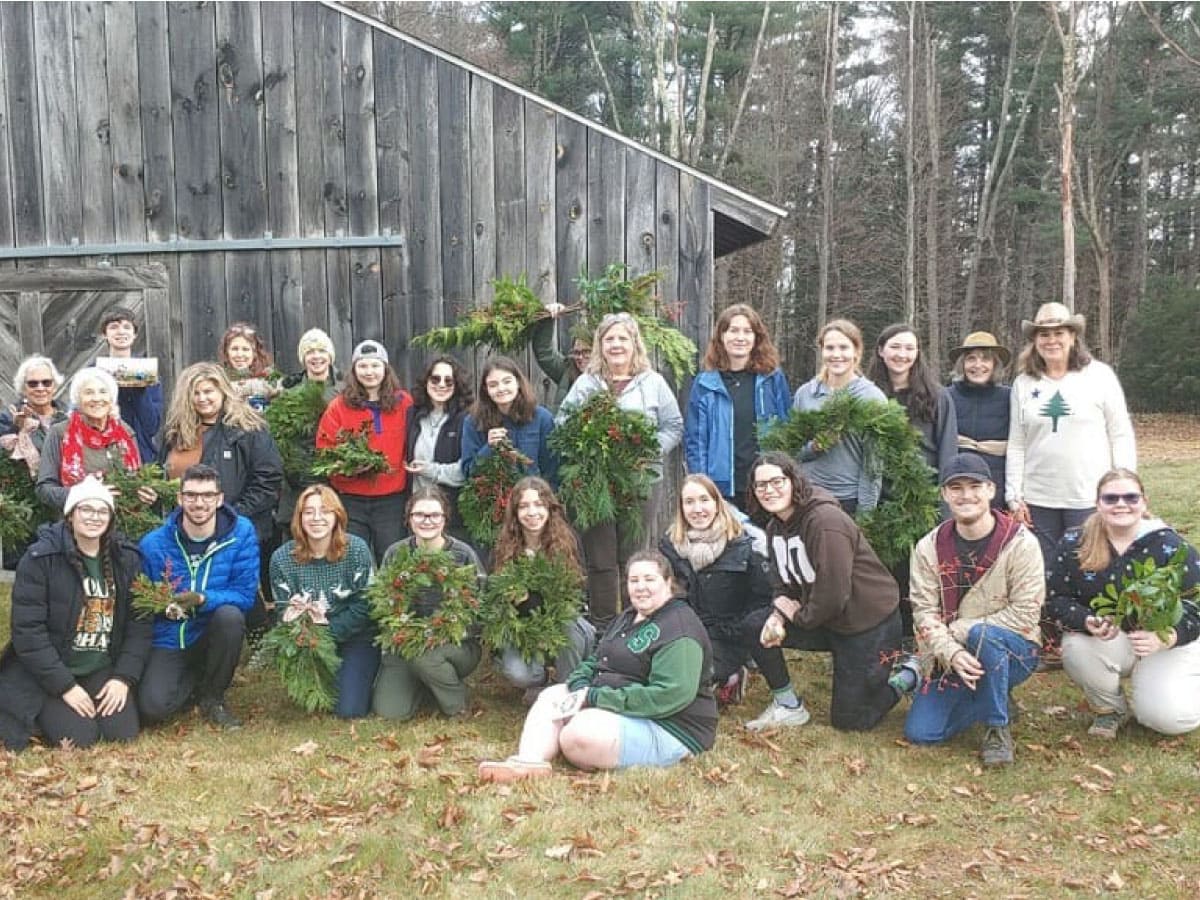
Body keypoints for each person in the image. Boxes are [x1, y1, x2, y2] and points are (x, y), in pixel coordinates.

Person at [477, 551, 718, 781]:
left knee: (578, 734)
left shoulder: (679, 629)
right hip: (622, 710)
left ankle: (578, 741)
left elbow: (670, 695)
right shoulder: (628, 616)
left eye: (649, 579)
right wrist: (580, 683)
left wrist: (596, 698)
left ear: (668, 583)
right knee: (553, 694)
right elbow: (597, 657)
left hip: (672, 726)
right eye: (633, 580)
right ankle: (528, 762)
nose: (640, 587)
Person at [740, 452, 903, 732]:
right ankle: (788, 705)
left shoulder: (825, 522)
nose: (769, 490)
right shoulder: (774, 527)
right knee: (756, 626)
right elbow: (782, 584)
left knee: (851, 721)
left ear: (793, 481)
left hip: (866, 624)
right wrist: (779, 614)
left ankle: (908, 675)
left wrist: (799, 616)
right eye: (761, 485)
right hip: (823, 617)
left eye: (777, 481)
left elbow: (834, 593)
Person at [900, 455, 1044, 766]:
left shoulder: (1021, 544)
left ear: (991, 490)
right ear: (944, 494)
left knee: (983, 634)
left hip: (1014, 648)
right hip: (951, 655)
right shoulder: (928, 547)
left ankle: (996, 726)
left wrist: (962, 629)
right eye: (956, 488)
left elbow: (1025, 614)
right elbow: (924, 612)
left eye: (975, 486)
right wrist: (950, 651)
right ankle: (995, 693)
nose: (966, 495)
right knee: (922, 733)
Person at [1046, 469, 1200, 739]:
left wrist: (1169, 637)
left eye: (1130, 497)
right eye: (1111, 498)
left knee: (1170, 719)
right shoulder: (1075, 542)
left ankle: (1171, 683)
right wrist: (1085, 620)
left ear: (1144, 502)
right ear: (1098, 504)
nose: (1121, 504)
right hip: (1113, 640)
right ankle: (1110, 709)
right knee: (1077, 648)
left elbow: (1196, 602)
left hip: (1165, 641)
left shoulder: (1169, 545)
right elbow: (1055, 598)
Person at [0, 478, 151, 751]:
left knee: (123, 733)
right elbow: (28, 632)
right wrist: (65, 687)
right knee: (81, 738)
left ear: (111, 517)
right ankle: (33, 710)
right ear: (71, 515)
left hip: (98, 665)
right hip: (52, 668)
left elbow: (139, 624)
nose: (94, 517)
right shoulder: (40, 559)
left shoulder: (126, 559)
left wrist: (123, 678)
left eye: (102, 511)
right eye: (86, 510)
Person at [557, 313, 684, 626]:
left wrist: (649, 451)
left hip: (640, 481)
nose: (616, 344)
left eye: (622, 338)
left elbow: (673, 425)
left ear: (634, 343)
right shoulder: (587, 383)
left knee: (633, 556)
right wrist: (585, 446)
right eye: (609, 339)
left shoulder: (652, 383)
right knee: (600, 559)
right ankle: (602, 626)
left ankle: (636, 622)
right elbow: (563, 423)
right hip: (596, 483)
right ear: (601, 345)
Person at [1007, 302, 1137, 567]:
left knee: (1089, 568)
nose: (1052, 340)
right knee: (1044, 570)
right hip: (1038, 501)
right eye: (1044, 334)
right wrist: (1014, 495)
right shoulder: (1023, 383)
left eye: (1059, 333)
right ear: (1035, 340)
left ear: (1073, 336)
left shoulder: (1100, 376)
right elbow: (1017, 443)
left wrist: (1123, 485)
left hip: (1088, 496)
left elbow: (1120, 433)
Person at [138, 465, 260, 729]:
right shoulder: (153, 544)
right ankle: (192, 680)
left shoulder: (241, 534)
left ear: (219, 499)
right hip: (171, 637)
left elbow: (245, 595)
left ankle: (213, 698)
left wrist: (204, 599)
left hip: (213, 633)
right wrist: (163, 607)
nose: (199, 503)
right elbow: (142, 600)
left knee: (230, 617)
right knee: (153, 709)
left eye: (207, 495)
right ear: (180, 499)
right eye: (191, 495)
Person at [372, 487, 486, 720]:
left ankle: (457, 705)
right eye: (419, 515)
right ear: (409, 518)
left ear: (445, 518)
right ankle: (426, 685)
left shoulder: (463, 555)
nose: (427, 521)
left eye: (434, 515)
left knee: (427, 657)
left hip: (455, 643)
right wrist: (404, 633)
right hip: (405, 644)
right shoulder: (396, 553)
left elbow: (479, 608)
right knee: (390, 712)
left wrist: (441, 633)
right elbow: (381, 602)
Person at [660, 474, 772, 705]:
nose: (697, 509)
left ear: (717, 503)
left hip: (728, 634)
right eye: (689, 502)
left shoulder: (743, 545)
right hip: (684, 629)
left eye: (704, 500)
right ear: (681, 508)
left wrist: (738, 631)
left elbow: (762, 600)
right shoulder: (670, 545)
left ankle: (732, 674)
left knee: (689, 679)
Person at [269, 485, 378, 719]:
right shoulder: (282, 559)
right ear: (299, 518)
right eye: (308, 512)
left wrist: (328, 630)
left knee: (349, 710)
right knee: (316, 704)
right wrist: (295, 620)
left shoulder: (356, 549)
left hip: (354, 635)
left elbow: (367, 605)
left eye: (325, 511)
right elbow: (281, 609)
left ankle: (368, 675)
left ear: (337, 516)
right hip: (309, 639)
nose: (317, 518)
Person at [490, 477, 595, 702]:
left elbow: (576, 595)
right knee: (519, 673)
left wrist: (530, 599)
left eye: (538, 504)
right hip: (522, 627)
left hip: (565, 622)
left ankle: (566, 688)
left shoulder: (568, 541)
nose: (532, 512)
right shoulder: (505, 547)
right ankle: (539, 681)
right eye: (524, 506)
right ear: (515, 512)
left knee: (571, 630)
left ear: (549, 507)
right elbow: (500, 598)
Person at [315, 340, 413, 562]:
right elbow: (325, 450)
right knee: (352, 559)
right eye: (363, 366)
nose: (369, 372)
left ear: (385, 369)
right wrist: (348, 469)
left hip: (392, 500)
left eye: (375, 366)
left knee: (392, 558)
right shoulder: (338, 407)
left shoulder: (403, 403)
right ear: (354, 370)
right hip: (351, 499)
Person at [685, 304, 791, 504]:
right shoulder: (705, 383)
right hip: (722, 487)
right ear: (722, 336)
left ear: (756, 338)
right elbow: (696, 441)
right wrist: (702, 486)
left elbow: (786, 427)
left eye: (747, 331)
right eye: (733, 330)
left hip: (766, 485)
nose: (740, 337)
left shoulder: (772, 378)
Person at [791, 319, 888, 515]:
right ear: (822, 351)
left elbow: (873, 466)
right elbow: (792, 451)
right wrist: (815, 447)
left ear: (856, 352)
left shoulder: (871, 397)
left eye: (844, 347)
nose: (836, 355)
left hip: (847, 500)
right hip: (807, 496)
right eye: (830, 348)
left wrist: (865, 516)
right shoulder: (806, 394)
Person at [36, 367, 154, 513]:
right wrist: (87, 494)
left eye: (103, 392)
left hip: (121, 523)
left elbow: (136, 482)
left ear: (111, 400)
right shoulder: (59, 433)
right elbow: (44, 489)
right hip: (76, 522)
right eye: (89, 392)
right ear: (77, 400)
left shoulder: (125, 432)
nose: (97, 398)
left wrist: (144, 496)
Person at [1, 356, 69, 568]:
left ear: (55, 386)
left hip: (60, 507)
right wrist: (16, 429)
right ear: (23, 387)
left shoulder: (69, 419)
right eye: (33, 383)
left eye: (46, 382)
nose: (40, 388)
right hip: (23, 511)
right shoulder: (7, 418)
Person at [867, 323, 958, 482]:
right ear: (881, 350)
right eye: (895, 347)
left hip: (925, 492)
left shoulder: (937, 396)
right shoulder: (868, 395)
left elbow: (948, 452)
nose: (902, 354)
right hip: (876, 492)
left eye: (909, 348)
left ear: (917, 353)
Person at [404, 356, 472, 539]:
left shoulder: (466, 419)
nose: (441, 385)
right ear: (426, 382)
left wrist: (429, 470)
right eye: (435, 379)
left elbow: (466, 469)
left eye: (448, 380)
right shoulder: (413, 414)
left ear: (457, 385)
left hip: (452, 513)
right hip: (417, 512)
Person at [461, 356, 558, 483]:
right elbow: (469, 472)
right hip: (491, 499)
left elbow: (552, 471)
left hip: (532, 498)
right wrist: (489, 448)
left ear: (518, 382)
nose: (501, 389)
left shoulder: (542, 418)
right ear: (486, 389)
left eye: (507, 382)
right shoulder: (473, 422)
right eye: (493, 385)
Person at [946, 332, 1011, 509]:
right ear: (962, 364)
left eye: (985, 359)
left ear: (995, 364)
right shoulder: (946, 397)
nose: (978, 365)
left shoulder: (1010, 398)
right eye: (971, 359)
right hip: (958, 487)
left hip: (998, 487)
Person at [96, 307, 163, 463]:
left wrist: (141, 390)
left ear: (134, 335)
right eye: (114, 327)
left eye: (127, 327)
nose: (121, 332)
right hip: (102, 452)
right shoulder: (94, 373)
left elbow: (151, 427)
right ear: (104, 334)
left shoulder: (148, 373)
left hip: (141, 453)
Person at [531, 301, 591, 411]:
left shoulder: (611, 375)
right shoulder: (567, 370)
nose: (580, 357)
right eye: (576, 352)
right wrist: (548, 318)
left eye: (586, 352)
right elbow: (544, 352)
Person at [219, 322, 281, 412]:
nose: (239, 354)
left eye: (245, 349)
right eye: (234, 349)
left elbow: (280, 388)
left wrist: (248, 386)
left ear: (254, 353)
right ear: (226, 352)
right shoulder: (219, 376)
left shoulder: (267, 374)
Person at [280, 327, 340, 391]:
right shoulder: (290, 389)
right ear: (303, 358)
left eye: (322, 351)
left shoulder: (346, 388)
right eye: (310, 352)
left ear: (330, 356)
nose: (316, 356)